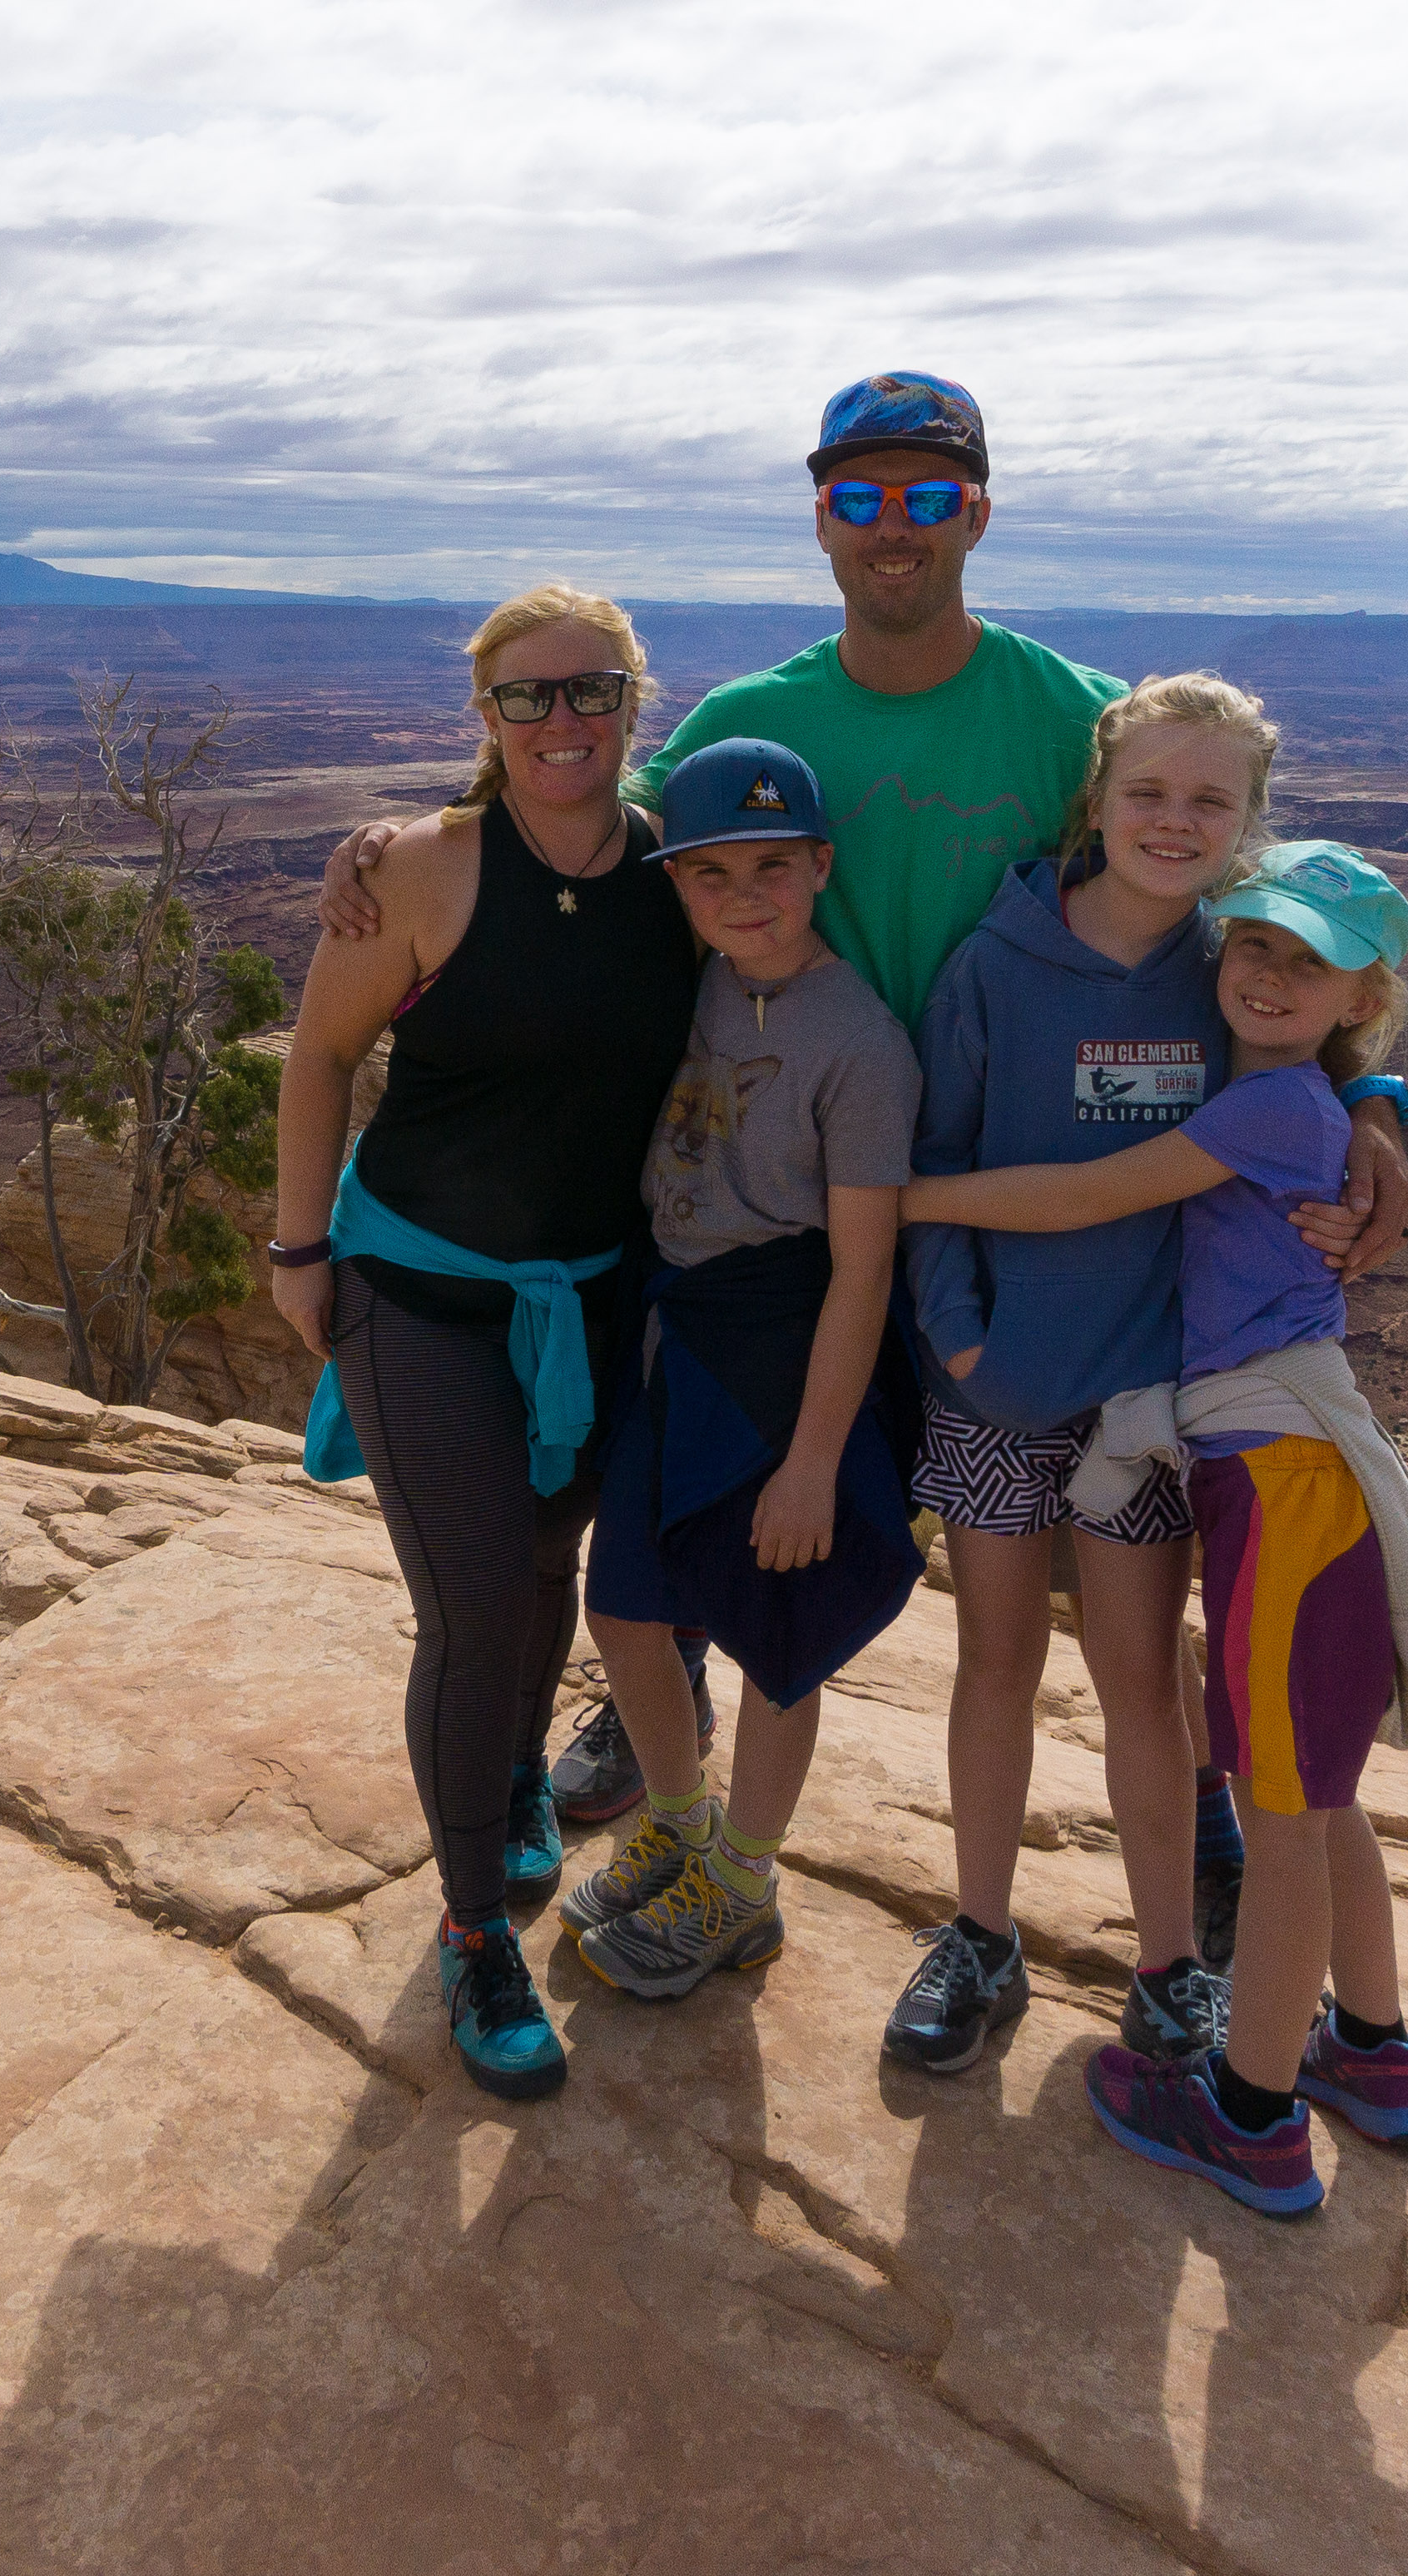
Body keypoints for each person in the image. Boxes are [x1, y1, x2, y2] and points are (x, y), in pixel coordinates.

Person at [324, 376, 1408, 1830]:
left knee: (1022, 1519)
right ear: (823, 520)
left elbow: (1259, 906)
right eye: (859, 497)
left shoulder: (1079, 722)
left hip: (1002, 1199)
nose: (891, 527)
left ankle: (1194, 1807)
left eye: (924, 496)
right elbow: (583, 824)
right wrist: (418, 833)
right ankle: (683, 1688)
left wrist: (1373, 1097)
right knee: (747, 1456)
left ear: (976, 510)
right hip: (790, 1192)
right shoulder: (755, 717)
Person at [901, 843, 1408, 2217]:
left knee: (1281, 1823)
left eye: (1306, 961)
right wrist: (1375, 1095)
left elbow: (1088, 1195)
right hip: (1278, 1471)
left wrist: (907, 1202)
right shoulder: (1283, 1082)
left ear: (1361, 997)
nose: (1268, 973)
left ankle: (1252, 2117)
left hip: (1281, 1492)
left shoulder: (1276, 1108)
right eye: (1253, 944)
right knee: (1319, 1806)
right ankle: (1376, 2054)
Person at [270, 585, 706, 2105]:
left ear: (636, 699)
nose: (562, 722)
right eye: (528, 699)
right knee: (468, 1604)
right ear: (486, 718)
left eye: (590, 691)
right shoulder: (424, 872)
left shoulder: (682, 875)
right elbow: (322, 1058)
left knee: (543, 1571)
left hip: (595, 1294)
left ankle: (518, 1781)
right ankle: (472, 1932)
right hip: (420, 1288)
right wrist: (298, 1249)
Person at [886, 677, 1291, 2083]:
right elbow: (929, 1158)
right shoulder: (994, 966)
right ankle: (981, 1931)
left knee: (1139, 1681)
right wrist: (963, 1341)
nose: (1173, 823)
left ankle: (1169, 1962)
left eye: (1208, 802)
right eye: (1149, 793)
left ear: (1245, 825)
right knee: (995, 1658)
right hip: (993, 1389)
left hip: (1147, 1405)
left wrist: (1381, 1125)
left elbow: (1323, 1070)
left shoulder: (1232, 974)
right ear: (1098, 797)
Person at [556, 741, 925, 2004]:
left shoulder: (862, 1046)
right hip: (681, 1328)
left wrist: (816, 1461)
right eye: (710, 873)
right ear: (680, 887)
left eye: (774, 866)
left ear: (822, 867)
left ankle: (749, 1881)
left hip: (785, 1344)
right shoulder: (702, 982)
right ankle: (676, 1817)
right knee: (626, 1604)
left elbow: (865, 1272)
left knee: (780, 1631)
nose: (745, 893)